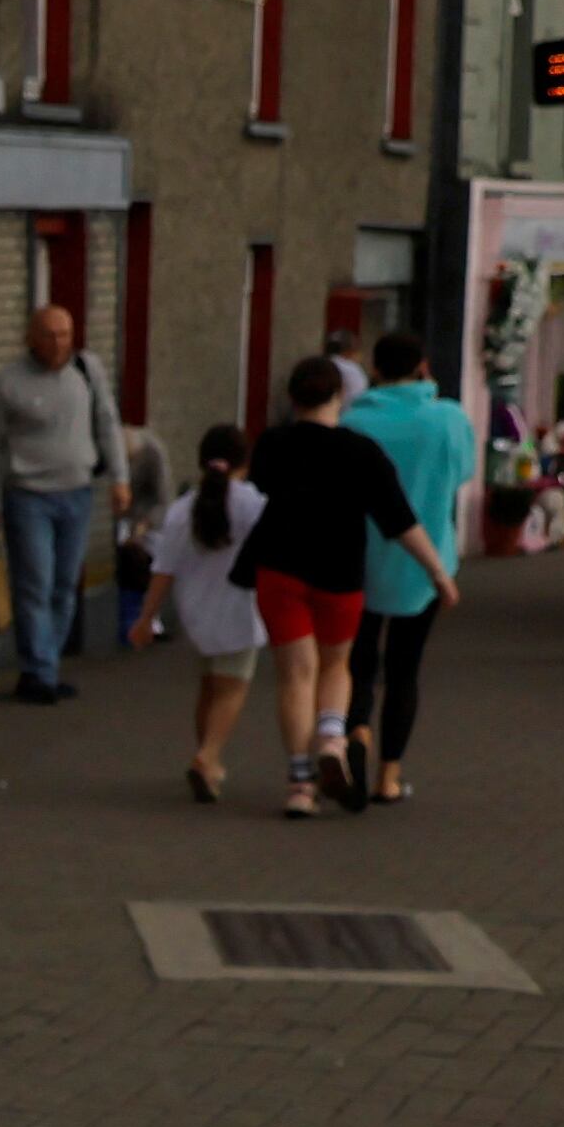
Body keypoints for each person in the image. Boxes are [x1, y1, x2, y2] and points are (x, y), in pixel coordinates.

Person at [233, 353, 458, 820]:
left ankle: (299, 784)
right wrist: (437, 572)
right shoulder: (361, 451)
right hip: (340, 573)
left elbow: (256, 494)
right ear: (339, 396)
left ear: (292, 398)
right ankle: (333, 736)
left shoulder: (273, 445)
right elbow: (399, 521)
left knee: (296, 675)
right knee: (337, 665)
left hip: (279, 569)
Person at [337, 329, 476, 804]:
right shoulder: (448, 418)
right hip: (426, 557)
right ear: (423, 366)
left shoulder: (353, 421)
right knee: (404, 669)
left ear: (374, 369)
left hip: (359, 558)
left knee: (356, 662)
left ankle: (355, 730)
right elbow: (464, 474)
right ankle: (388, 777)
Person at [0, 300, 129, 704]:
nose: (58, 342)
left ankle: (47, 663)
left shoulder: (87, 371)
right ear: (31, 338)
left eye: (65, 333)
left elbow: (107, 421)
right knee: (35, 583)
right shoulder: (8, 383)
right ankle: (37, 671)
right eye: (49, 334)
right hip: (29, 496)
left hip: (78, 492)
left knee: (65, 585)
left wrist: (120, 478)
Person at [139, 421, 263, 800]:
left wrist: (146, 618)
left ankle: (207, 761)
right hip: (240, 611)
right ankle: (207, 756)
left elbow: (163, 569)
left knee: (209, 688)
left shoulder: (182, 509)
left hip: (198, 616)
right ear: (246, 461)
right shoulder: (252, 504)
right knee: (231, 689)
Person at [113, 418, 176, 651]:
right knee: (131, 570)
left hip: (150, 520)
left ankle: (149, 622)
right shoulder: (119, 454)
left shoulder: (152, 452)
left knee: (148, 570)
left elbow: (162, 496)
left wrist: (143, 526)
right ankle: (130, 625)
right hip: (128, 516)